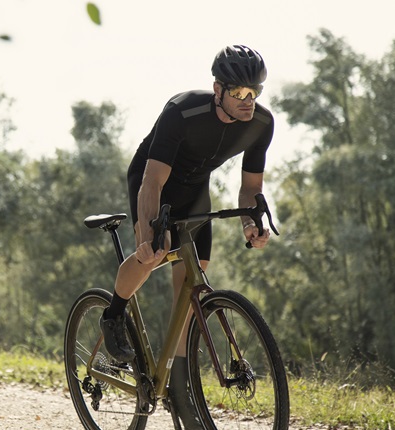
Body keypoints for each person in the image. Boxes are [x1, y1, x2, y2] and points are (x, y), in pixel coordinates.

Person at [99, 44, 274, 429]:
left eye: (255, 91)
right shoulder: (183, 111)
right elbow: (152, 180)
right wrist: (146, 231)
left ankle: (179, 384)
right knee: (154, 254)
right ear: (218, 89)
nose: (249, 100)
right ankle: (113, 315)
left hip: (195, 190)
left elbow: (250, 189)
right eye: (239, 92)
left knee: (193, 282)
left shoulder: (261, 123)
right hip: (154, 182)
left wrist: (250, 224)